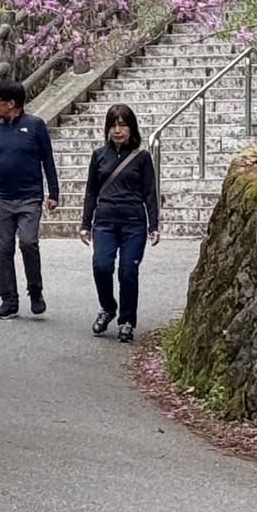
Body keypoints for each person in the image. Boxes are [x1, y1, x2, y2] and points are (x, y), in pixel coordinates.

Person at [80, 101, 161, 344]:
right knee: (102, 266)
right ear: (107, 128)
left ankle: (127, 321)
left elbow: (150, 193)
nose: (118, 130)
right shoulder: (99, 156)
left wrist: (153, 225)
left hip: (133, 223)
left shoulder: (142, 157)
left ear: (131, 128)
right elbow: (91, 191)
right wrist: (85, 223)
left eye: (123, 125)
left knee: (128, 272)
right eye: (113, 125)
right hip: (104, 221)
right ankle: (107, 307)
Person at [0, 78, 59, 320]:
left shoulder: (35, 126)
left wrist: (53, 192)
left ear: (11, 103)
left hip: (29, 197)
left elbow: (47, 159)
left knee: (28, 242)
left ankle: (35, 291)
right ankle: (9, 300)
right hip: (2, 198)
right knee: (3, 250)